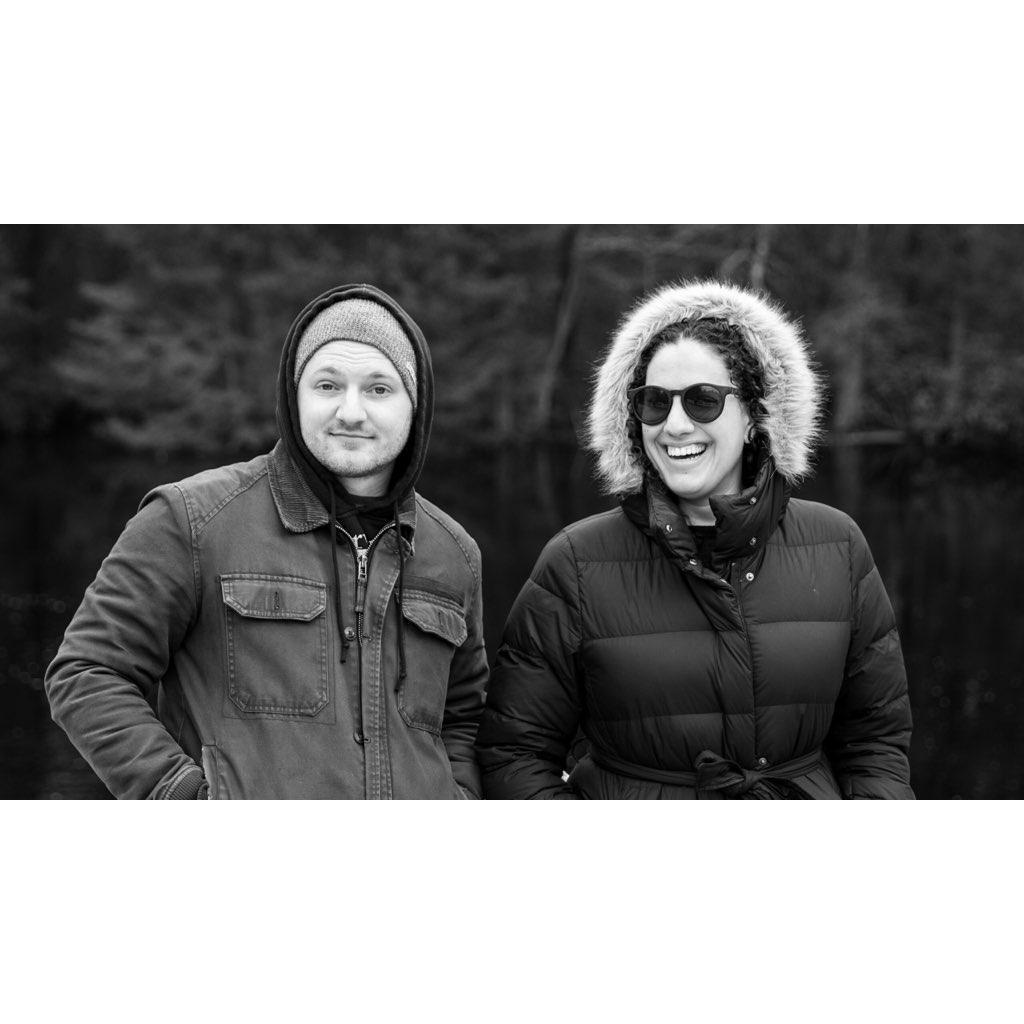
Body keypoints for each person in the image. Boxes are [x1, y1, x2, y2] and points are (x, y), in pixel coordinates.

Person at [45, 284, 487, 799]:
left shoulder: (455, 553)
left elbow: (464, 720)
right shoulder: (190, 520)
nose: (351, 411)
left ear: (416, 404)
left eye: (379, 389)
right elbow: (88, 672)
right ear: (294, 395)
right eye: (327, 385)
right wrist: (181, 800)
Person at [476, 279, 913, 799]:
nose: (676, 425)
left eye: (703, 401)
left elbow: (875, 742)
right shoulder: (575, 562)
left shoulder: (838, 545)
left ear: (754, 415)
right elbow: (515, 753)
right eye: (654, 402)